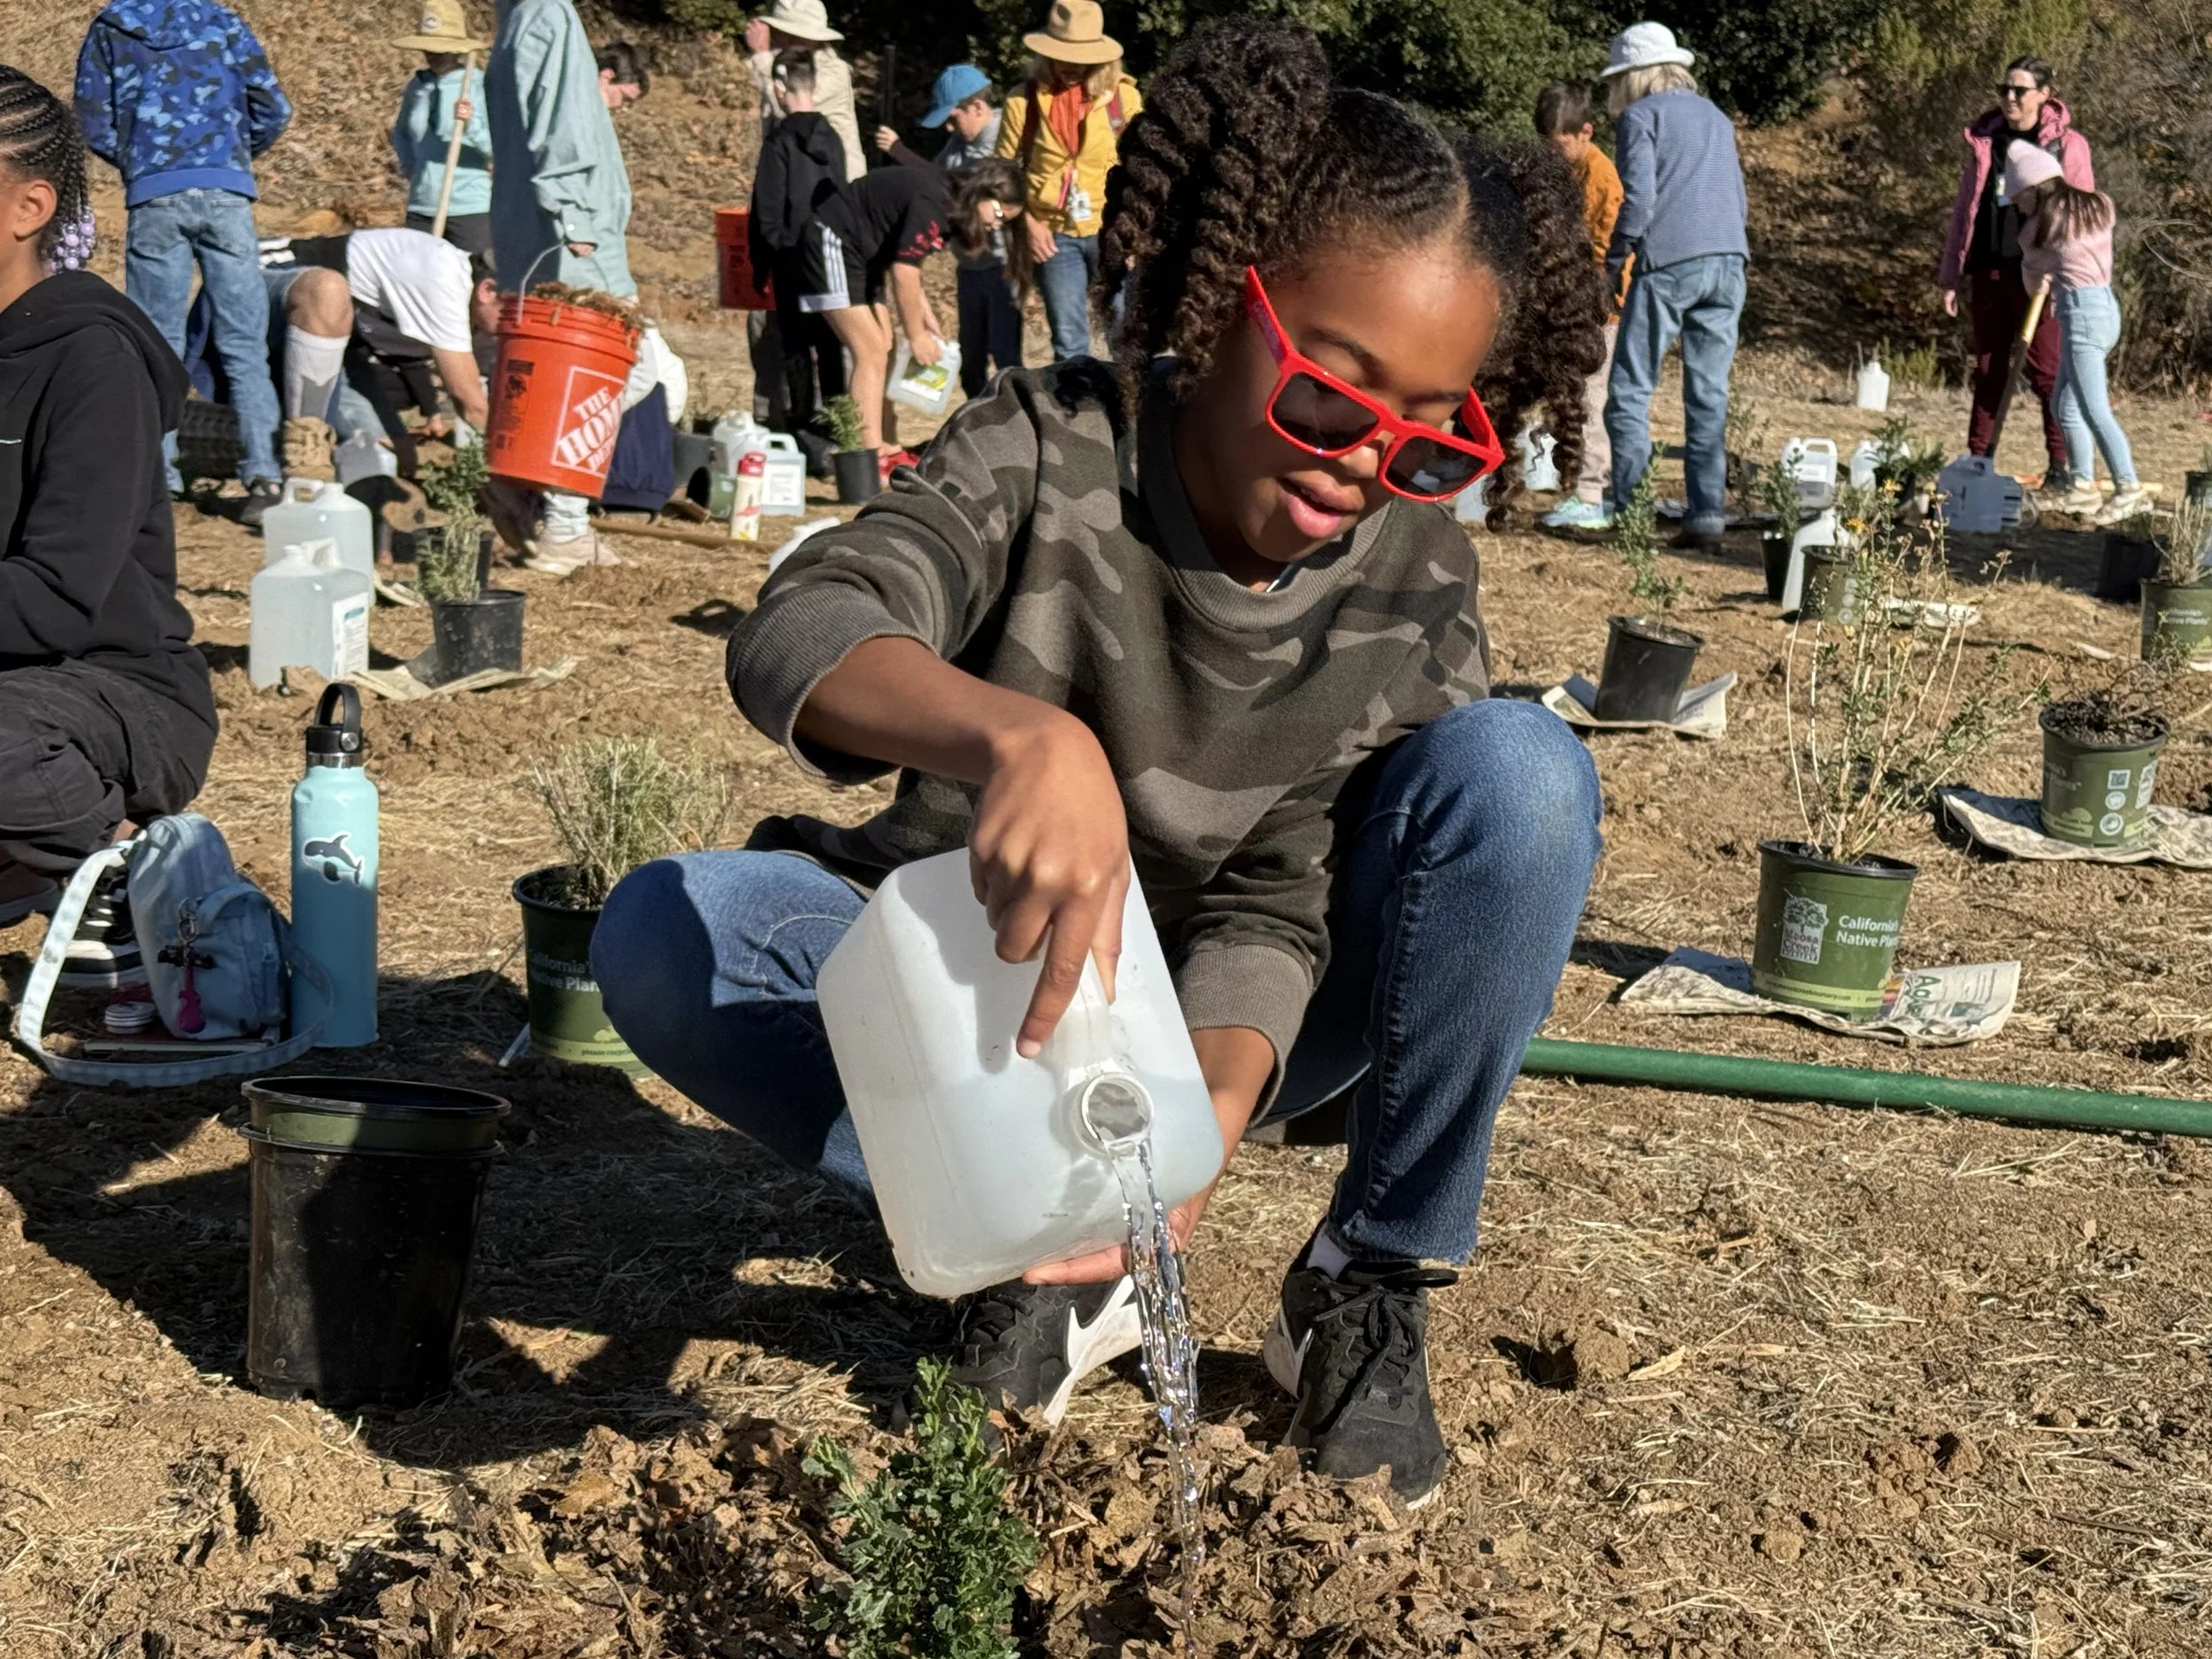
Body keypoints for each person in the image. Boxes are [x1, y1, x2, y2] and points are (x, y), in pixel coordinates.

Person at [591, 17, 1605, 1506]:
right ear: (1223, 287)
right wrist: (1021, 736)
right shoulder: (1053, 446)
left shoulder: (1414, 583)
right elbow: (805, 621)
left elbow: (1282, 898)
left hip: (1251, 1027)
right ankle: (1036, 1250)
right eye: (1327, 396)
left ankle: (1363, 1280)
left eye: (1425, 443)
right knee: (674, 940)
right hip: (1000, 997)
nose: (1354, 466)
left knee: (1524, 780)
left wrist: (1192, 1135)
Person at [0, 67, 216, 987]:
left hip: (117, 695)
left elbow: (53, 602)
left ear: (29, 205)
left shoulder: (94, 363)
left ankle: (129, 876)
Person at [73, 0, 290, 526]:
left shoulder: (112, 27)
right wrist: (231, 159)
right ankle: (263, 474)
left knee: (157, 343)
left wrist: (140, 164)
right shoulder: (225, 21)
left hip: (155, 199)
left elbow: (92, 117)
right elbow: (273, 107)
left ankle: (158, 474)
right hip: (227, 195)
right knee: (244, 343)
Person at [486, 0, 641, 567]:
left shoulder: (513, 21)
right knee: (613, 370)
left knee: (553, 371)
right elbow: (562, 119)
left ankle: (521, 488)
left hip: (529, 223)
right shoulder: (547, 13)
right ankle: (565, 523)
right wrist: (576, 218)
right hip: (570, 227)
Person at [1599, 21, 1747, 551]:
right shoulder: (1716, 116)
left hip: (1669, 261)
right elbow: (1736, 193)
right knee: (1708, 394)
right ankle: (1706, 517)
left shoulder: (1640, 117)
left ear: (1633, 78)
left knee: (1630, 391)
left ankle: (1632, 513)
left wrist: (1615, 260)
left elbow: (1638, 199)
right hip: (1729, 258)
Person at [196, 225, 497, 481]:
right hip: (266, 278)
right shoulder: (443, 280)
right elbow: (471, 405)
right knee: (328, 290)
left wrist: (426, 416)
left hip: (337, 339)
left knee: (387, 461)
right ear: (488, 290)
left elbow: (412, 358)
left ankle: (307, 444)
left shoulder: (460, 292)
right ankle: (304, 459)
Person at [790, 157, 1024, 470]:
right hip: (833, 241)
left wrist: (924, 315)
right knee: (870, 352)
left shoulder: (949, 202)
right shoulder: (935, 202)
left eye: (1005, 222)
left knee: (884, 348)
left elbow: (906, 262)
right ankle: (867, 459)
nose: (997, 225)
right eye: (998, 214)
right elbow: (903, 273)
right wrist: (916, 336)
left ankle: (887, 444)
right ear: (983, 192)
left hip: (867, 256)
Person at [1936, 56, 2093, 496]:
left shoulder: (2068, 146)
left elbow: (2080, 217)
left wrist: (2068, 278)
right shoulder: (1986, 140)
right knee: (1988, 368)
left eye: (2019, 90)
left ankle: (2061, 464)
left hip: (2041, 278)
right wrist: (1951, 275)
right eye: (2004, 89)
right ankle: (1979, 459)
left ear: (2045, 96)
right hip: (1989, 270)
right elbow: (1963, 210)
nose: (2009, 98)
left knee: (2049, 372)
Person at [2007, 146, 2147, 525]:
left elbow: (2033, 284)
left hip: (2081, 316)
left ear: (2035, 189)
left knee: (2094, 410)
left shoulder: (2037, 232)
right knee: (2064, 407)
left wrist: (2036, 266)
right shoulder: (2099, 206)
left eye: (2018, 196)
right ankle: (2082, 486)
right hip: (2105, 307)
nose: (2016, 205)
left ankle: (2128, 488)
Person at [997, 1, 1141, 363]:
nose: (1071, 65)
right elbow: (1001, 172)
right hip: (1052, 234)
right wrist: (1026, 222)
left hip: (1111, 229)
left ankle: (1131, 413)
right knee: (1068, 339)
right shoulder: (1022, 101)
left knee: (1126, 329)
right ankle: (1075, 415)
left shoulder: (1124, 99)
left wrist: (1138, 232)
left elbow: (1143, 170)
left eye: (1081, 56)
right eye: (1063, 55)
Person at [879, 65, 1025, 400]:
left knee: (1005, 357)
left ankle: (1015, 427)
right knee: (970, 362)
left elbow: (959, 184)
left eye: (954, 116)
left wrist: (899, 151)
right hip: (969, 268)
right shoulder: (960, 139)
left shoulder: (1000, 137)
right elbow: (936, 180)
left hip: (1001, 267)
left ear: (977, 108)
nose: (949, 126)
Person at [1536, 81, 1624, 533]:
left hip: (1600, 306)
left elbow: (1601, 251)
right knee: (1567, 393)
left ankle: (1590, 495)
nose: (1553, 155)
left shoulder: (1602, 179)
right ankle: (1565, 479)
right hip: (1569, 301)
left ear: (1586, 132)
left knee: (1592, 396)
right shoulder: (1563, 173)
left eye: (1560, 146)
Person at [750, 50, 848, 431]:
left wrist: (762, 262)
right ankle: (841, 425)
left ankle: (803, 424)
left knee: (795, 347)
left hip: (790, 256)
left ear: (778, 87)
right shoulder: (834, 139)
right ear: (815, 86)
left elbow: (767, 209)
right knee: (830, 345)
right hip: (828, 255)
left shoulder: (779, 142)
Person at [390, 0, 494, 257]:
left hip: (468, 207)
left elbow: (498, 148)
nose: (433, 54)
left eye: (441, 49)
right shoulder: (418, 85)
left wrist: (471, 125)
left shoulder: (478, 85)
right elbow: (402, 131)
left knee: (473, 281)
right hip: (423, 205)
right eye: (429, 47)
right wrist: (408, 161)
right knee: (417, 274)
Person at [744, 0, 864, 182]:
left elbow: (788, 107)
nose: (773, 37)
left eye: (778, 32)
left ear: (795, 37)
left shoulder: (833, 71)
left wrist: (761, 56)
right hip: (797, 178)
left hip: (832, 184)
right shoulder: (780, 66)